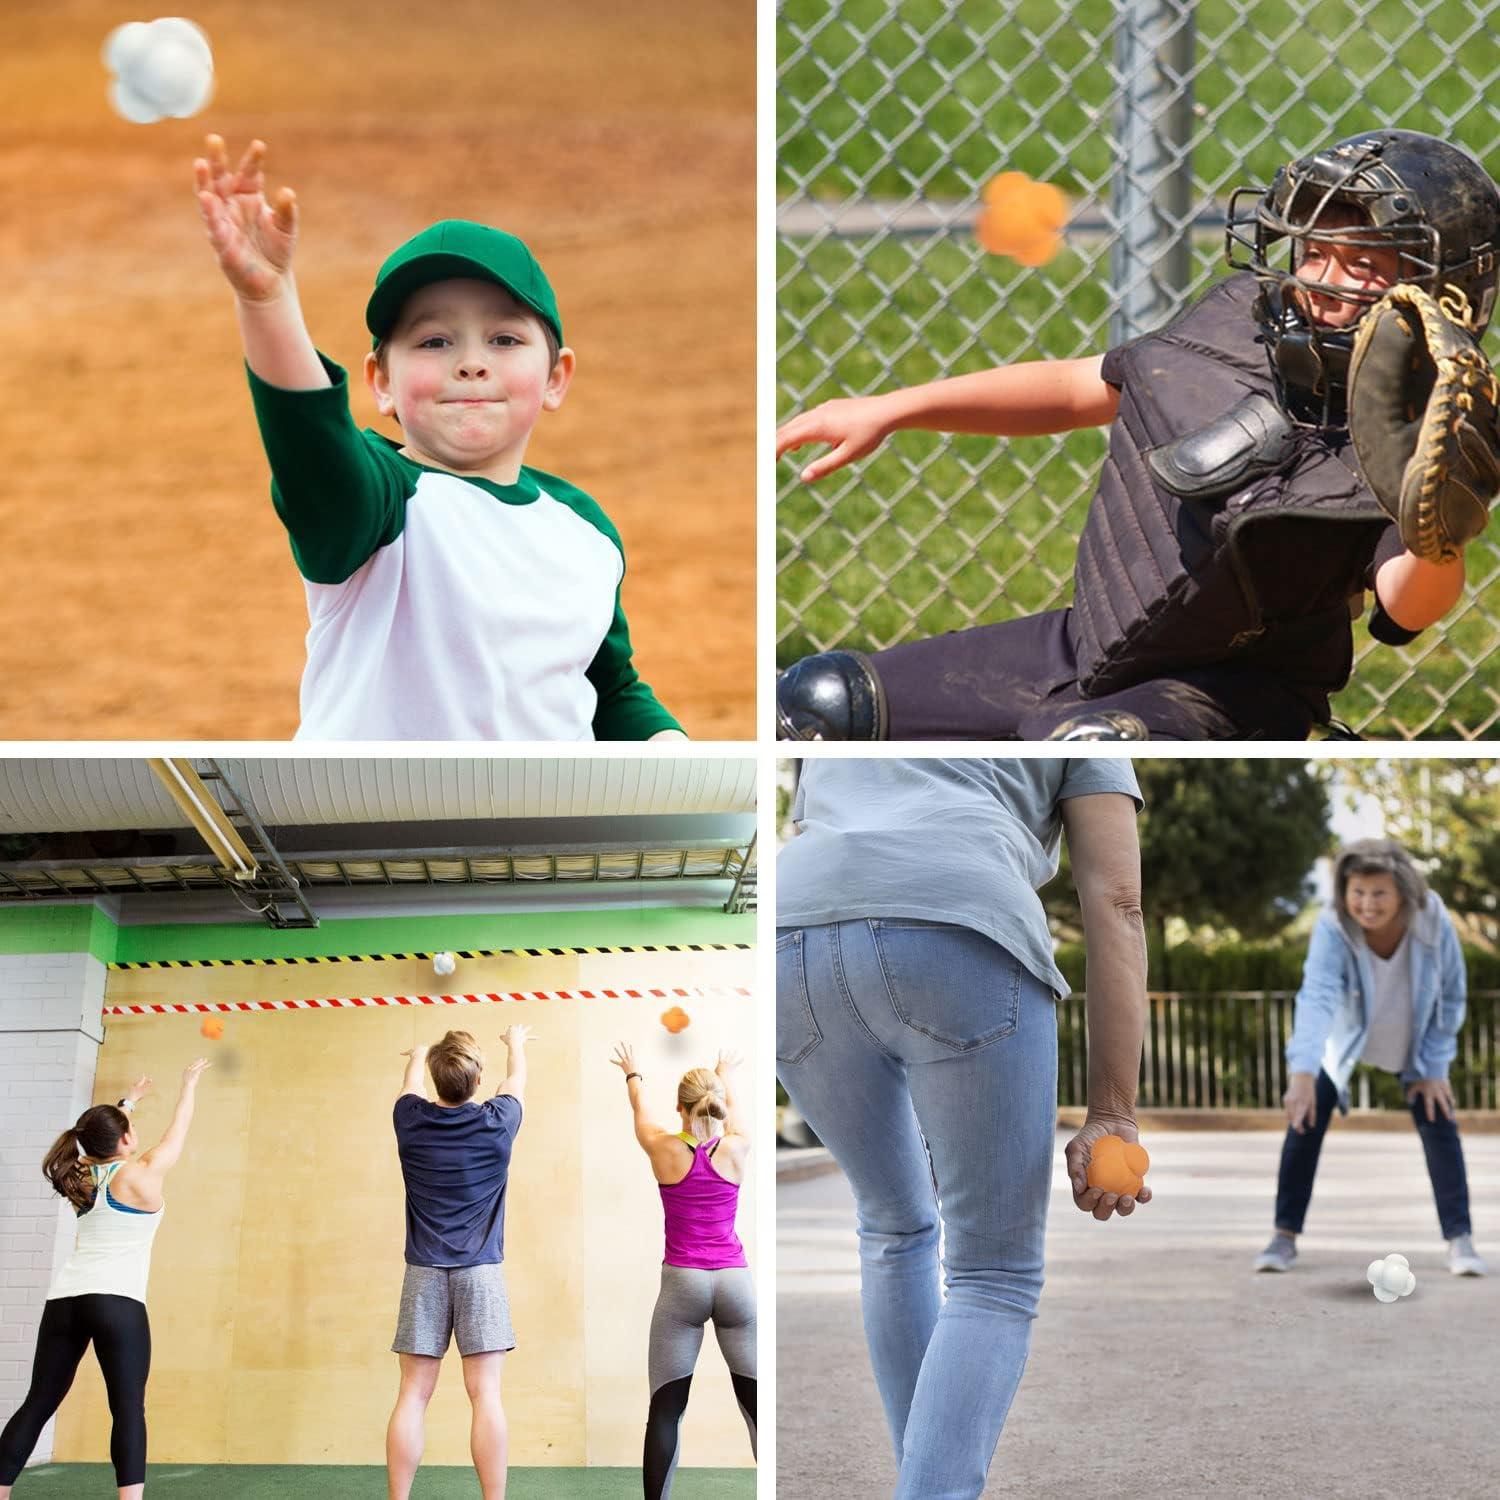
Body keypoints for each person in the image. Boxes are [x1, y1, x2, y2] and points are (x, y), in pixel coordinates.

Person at [776, 130, 1500, 740]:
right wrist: (893, 408)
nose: (1322, 281)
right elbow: (1073, 387)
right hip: (1081, 645)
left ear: (1443, 292)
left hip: (1230, 690)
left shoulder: (1416, 427)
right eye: (1313, 251)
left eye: (1364, 268)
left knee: (1089, 745)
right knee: (822, 703)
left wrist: (1435, 533)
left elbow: (1408, 607)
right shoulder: (1242, 324)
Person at [192, 133, 686, 743]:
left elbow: (606, 688)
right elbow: (311, 446)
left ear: (556, 378)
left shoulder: (584, 528)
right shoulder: (379, 501)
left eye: (504, 339)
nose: (471, 363)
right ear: (382, 383)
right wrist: (267, 302)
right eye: (434, 342)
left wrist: (668, 746)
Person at [776, 758, 1150, 1499]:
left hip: (793, 932)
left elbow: (811, 820)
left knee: (892, 1227)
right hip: (959, 922)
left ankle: (922, 1481)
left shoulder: (862, 688)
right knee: (992, 1272)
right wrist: (1112, 1110)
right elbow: (1117, 899)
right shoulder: (1081, 699)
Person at [1255, 838, 1487, 1276]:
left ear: (1402, 891)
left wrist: (1435, 1066)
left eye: (1379, 892)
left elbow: (1453, 995)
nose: (1367, 904)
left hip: (1413, 1041)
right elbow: (1317, 995)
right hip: (1342, 1042)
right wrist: (1302, 1070)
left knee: (1440, 1120)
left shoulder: (1432, 919)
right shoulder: (1333, 925)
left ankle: (1460, 1240)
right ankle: (1283, 1237)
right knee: (1304, 1118)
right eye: (1357, 891)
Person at [0, 1060, 211, 1500]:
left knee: (39, 1402)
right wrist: (188, 1085)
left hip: (65, 1301)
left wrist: (127, 1103)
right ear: (128, 1140)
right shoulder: (141, 1174)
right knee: (128, 1409)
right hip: (118, 1303)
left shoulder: (77, 1176)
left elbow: (102, 1140)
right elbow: (177, 1134)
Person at [386, 1027, 530, 1500]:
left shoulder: (410, 1120)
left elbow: (409, 1085)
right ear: (476, 1078)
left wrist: (420, 1052)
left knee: (412, 1393)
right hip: (481, 1273)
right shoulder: (498, 1122)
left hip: (423, 1271)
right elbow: (516, 1080)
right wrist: (515, 1044)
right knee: (485, 1394)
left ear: (436, 1077)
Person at [609, 1043, 756, 1499]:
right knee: (756, 1407)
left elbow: (639, 1108)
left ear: (680, 1107)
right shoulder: (738, 1146)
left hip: (682, 1286)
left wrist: (633, 1074)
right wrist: (723, 1073)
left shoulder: (662, 1148)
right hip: (735, 1283)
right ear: (719, 1105)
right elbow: (732, 1115)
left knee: (667, 1410)